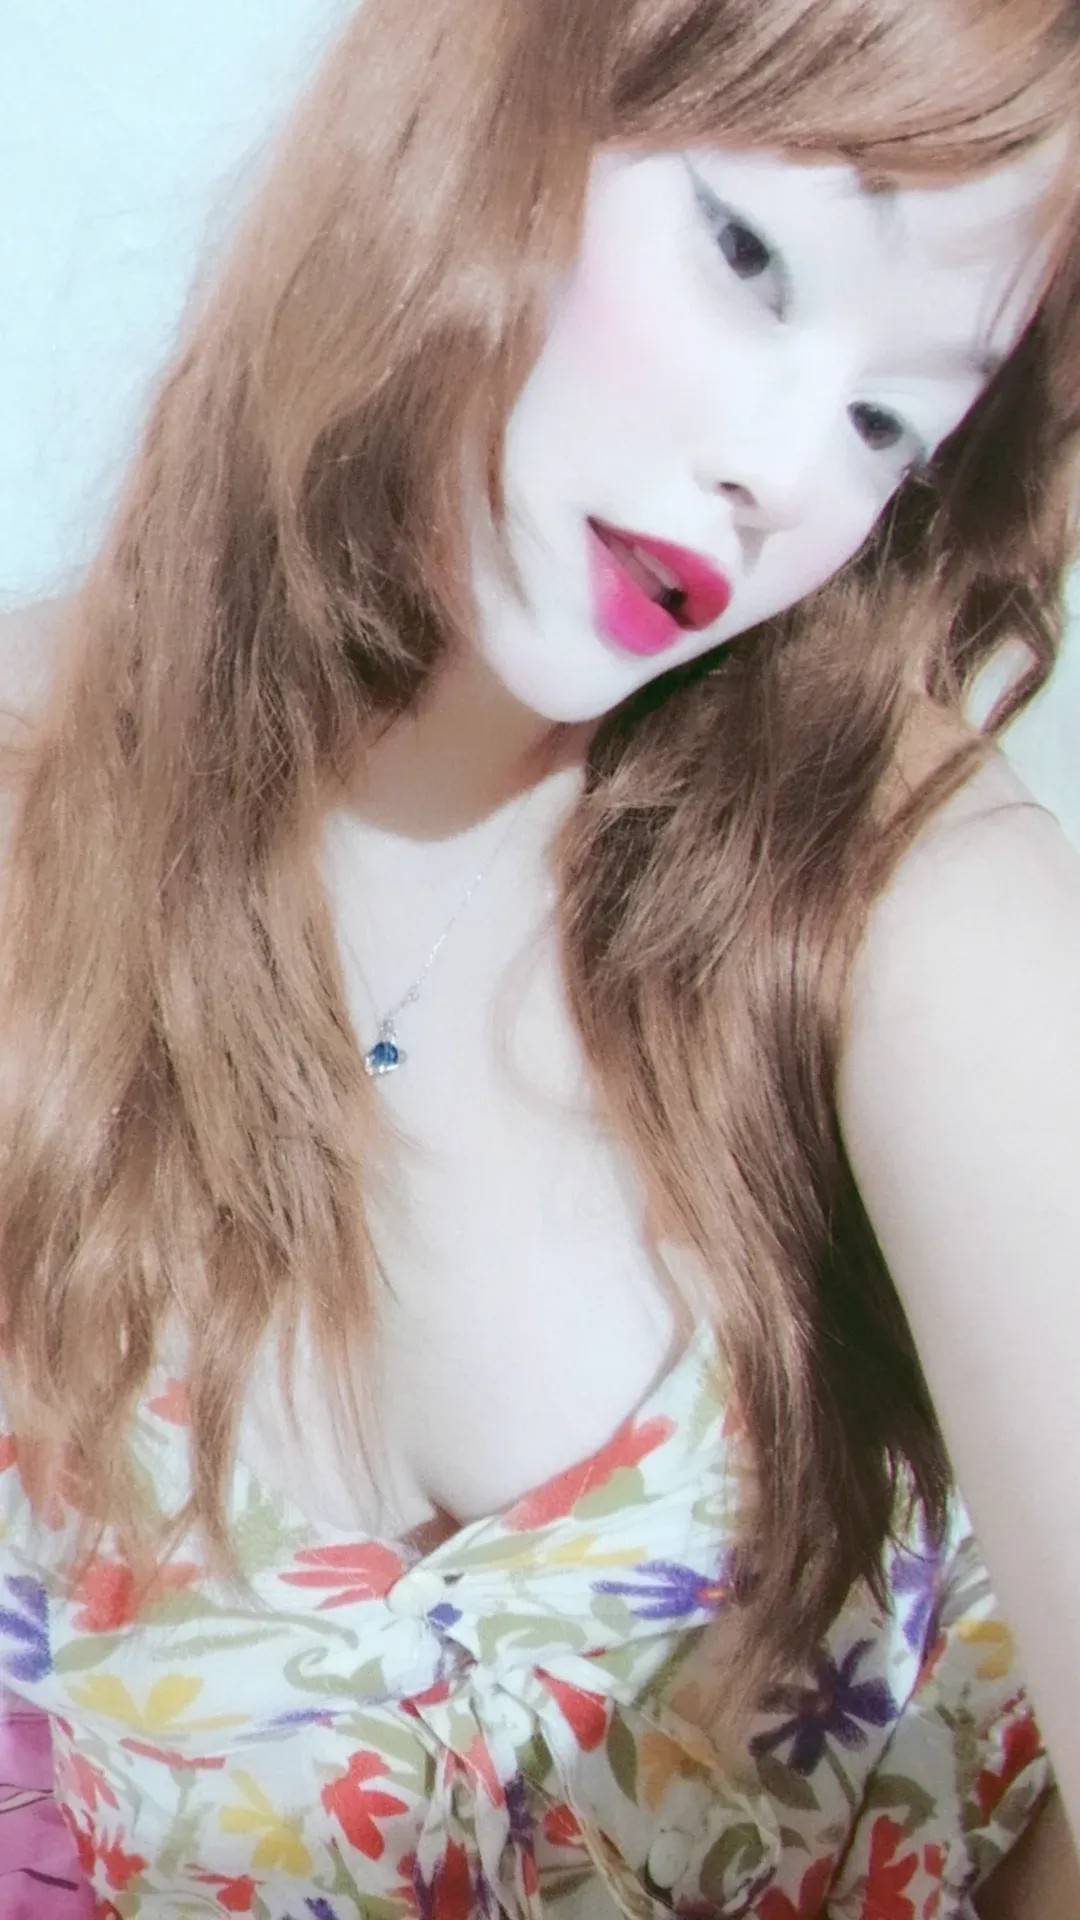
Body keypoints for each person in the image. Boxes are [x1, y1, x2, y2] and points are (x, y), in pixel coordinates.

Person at [0, 0, 1079, 1913]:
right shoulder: (37, 809)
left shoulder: (907, 909)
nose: (781, 474)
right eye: (751, 256)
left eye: (889, 426)